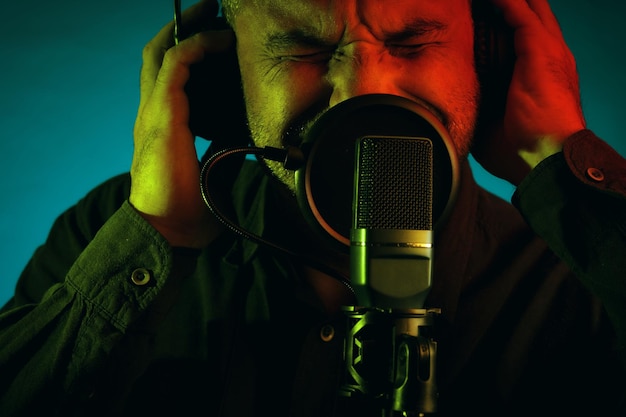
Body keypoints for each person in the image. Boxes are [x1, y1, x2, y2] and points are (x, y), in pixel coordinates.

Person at [1, 0, 625, 415]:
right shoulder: (107, 231)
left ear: (485, 59)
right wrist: (155, 233)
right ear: (222, 71)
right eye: (300, 47)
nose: (363, 92)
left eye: (412, 43)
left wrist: (569, 174)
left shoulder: (577, 269)